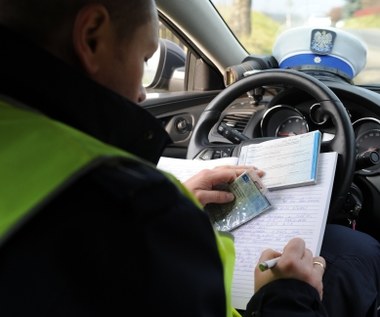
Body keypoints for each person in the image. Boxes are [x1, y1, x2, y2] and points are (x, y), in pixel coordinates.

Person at [0, 1, 379, 316]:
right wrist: (286, 295)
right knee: (358, 253)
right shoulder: (136, 212)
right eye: (145, 57)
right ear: (92, 36)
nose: (144, 95)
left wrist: (175, 195)